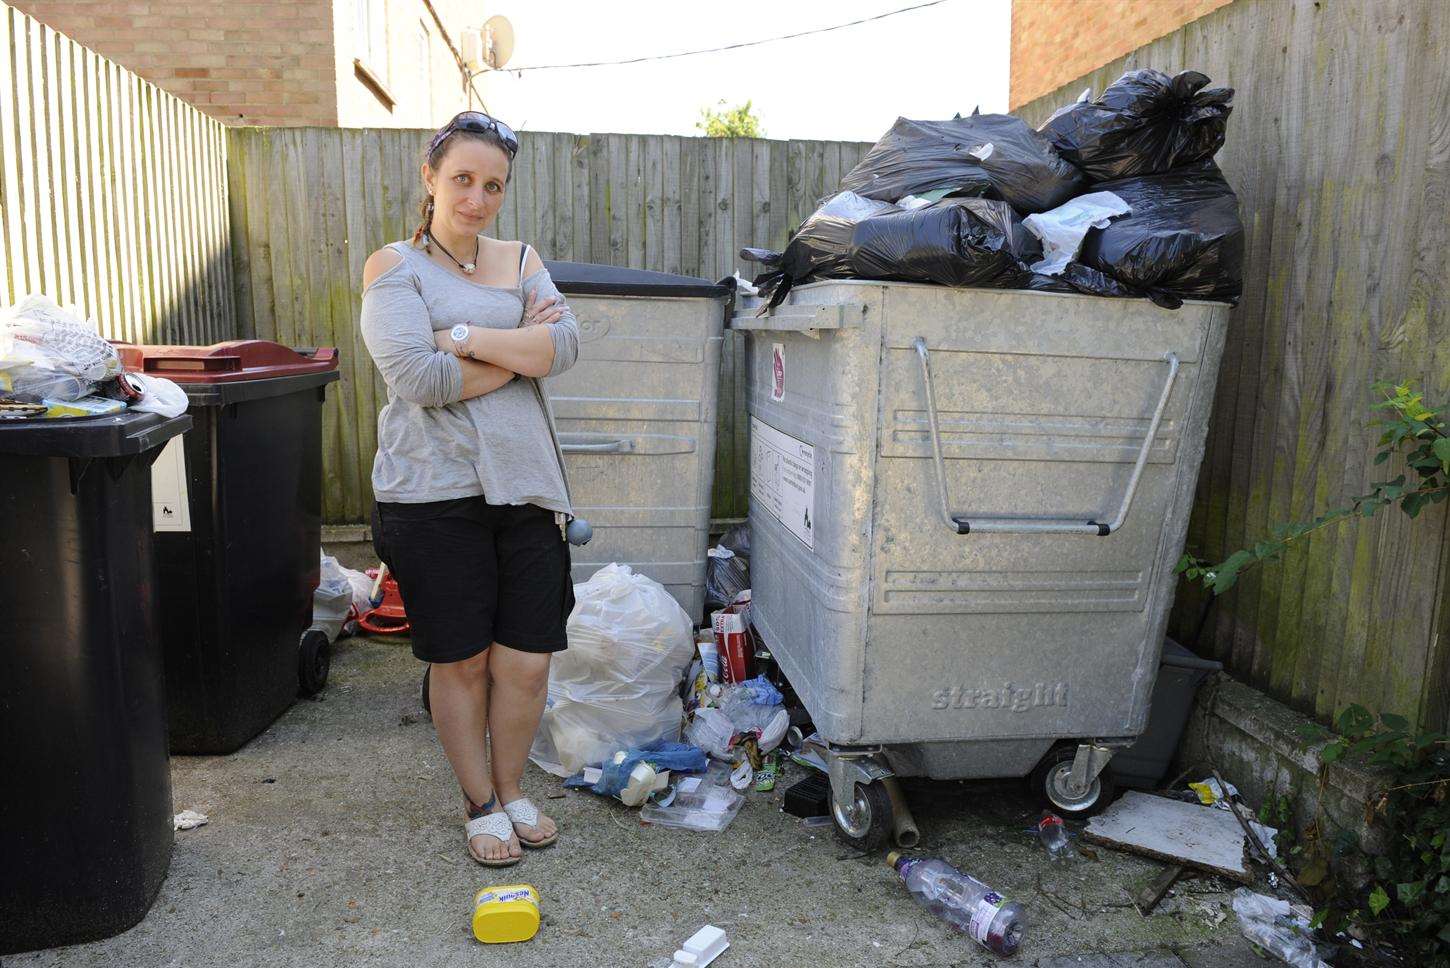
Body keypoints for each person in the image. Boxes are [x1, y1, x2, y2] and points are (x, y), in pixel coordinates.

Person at [359, 111, 579, 867]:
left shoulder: (520, 259)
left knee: (525, 658)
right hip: (431, 495)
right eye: (462, 179)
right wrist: (521, 355)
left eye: (493, 185)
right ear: (430, 177)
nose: (477, 198)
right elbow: (417, 379)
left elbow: (566, 345)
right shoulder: (393, 268)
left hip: (526, 488)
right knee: (462, 660)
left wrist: (463, 338)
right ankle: (478, 801)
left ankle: (512, 788)